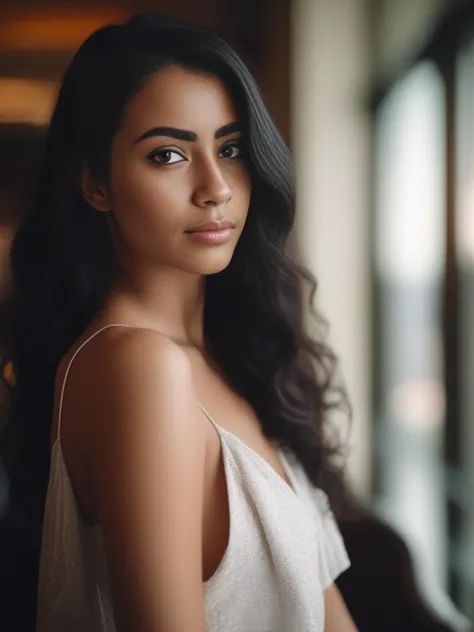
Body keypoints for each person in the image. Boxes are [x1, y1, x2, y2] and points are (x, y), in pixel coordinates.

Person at [3, 13, 357, 632]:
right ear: (96, 184)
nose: (215, 187)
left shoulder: (228, 356)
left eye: (231, 149)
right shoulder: (139, 366)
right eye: (167, 154)